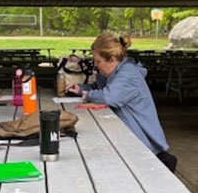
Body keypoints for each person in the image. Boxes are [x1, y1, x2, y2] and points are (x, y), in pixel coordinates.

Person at [66, 32, 177, 172]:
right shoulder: (114, 72)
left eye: (98, 61)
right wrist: (81, 89)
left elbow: (110, 97)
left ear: (112, 59)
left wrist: (88, 95)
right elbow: (100, 89)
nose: (95, 65)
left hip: (145, 144)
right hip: (130, 137)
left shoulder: (128, 73)